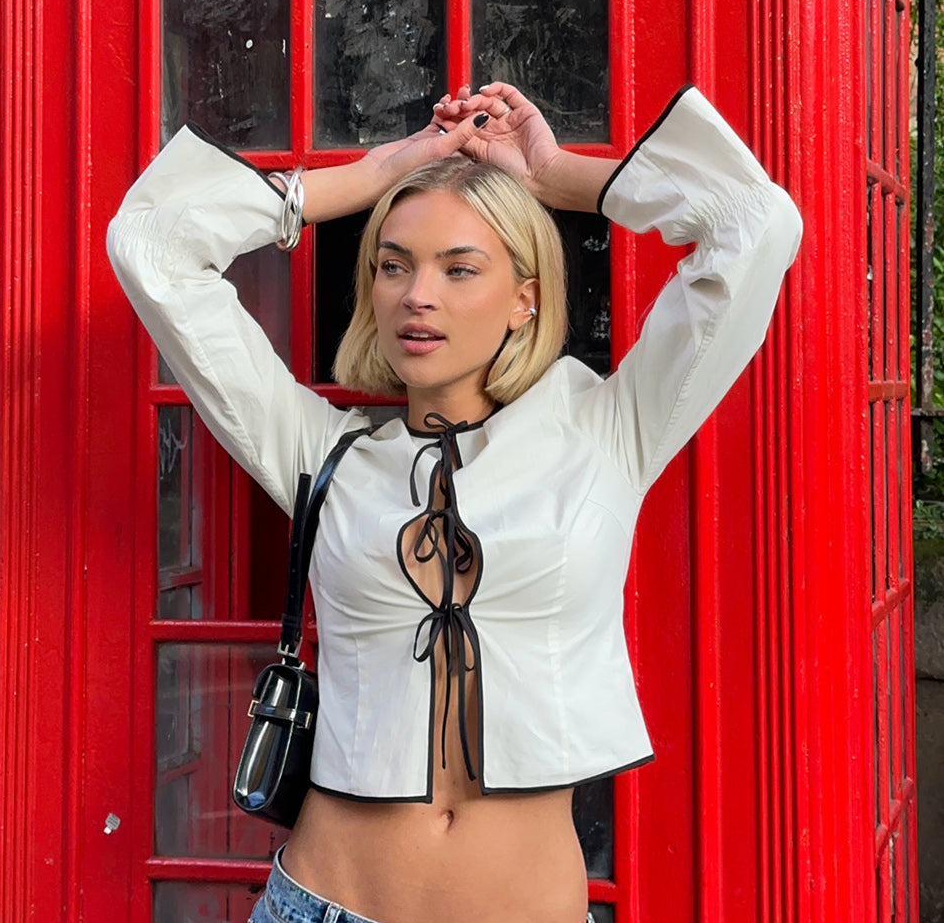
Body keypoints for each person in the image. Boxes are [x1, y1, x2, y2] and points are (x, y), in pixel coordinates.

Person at [107, 80, 802, 923]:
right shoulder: (319, 449)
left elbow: (754, 223)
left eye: (458, 267)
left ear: (526, 296)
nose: (415, 294)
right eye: (392, 265)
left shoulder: (606, 431)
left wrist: (557, 174)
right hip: (321, 902)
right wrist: (379, 171)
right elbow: (150, 239)